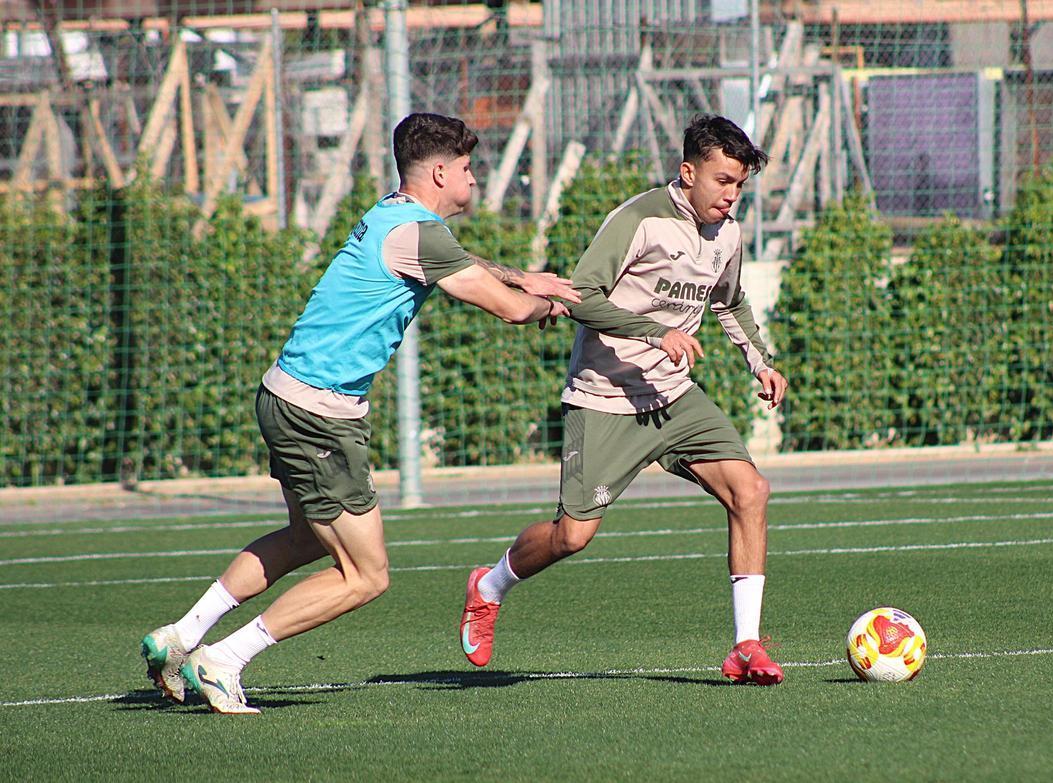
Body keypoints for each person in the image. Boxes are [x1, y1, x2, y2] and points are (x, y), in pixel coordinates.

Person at [141, 113, 578, 714]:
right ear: (442, 171)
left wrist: (524, 277)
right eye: (470, 170)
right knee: (366, 575)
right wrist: (544, 306)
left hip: (284, 395)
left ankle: (181, 636)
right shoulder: (420, 234)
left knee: (304, 538)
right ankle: (223, 660)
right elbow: (504, 308)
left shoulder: (393, 212)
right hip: (319, 415)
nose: (475, 181)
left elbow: (465, 263)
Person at [459, 114, 789, 685]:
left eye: (739, 185)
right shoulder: (639, 221)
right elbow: (580, 295)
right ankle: (488, 588)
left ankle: (745, 646)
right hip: (606, 397)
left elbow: (730, 302)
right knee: (572, 536)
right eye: (721, 181)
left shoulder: (727, 234)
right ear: (688, 173)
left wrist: (759, 360)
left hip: (674, 396)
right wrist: (653, 333)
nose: (731, 196)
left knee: (750, 491)